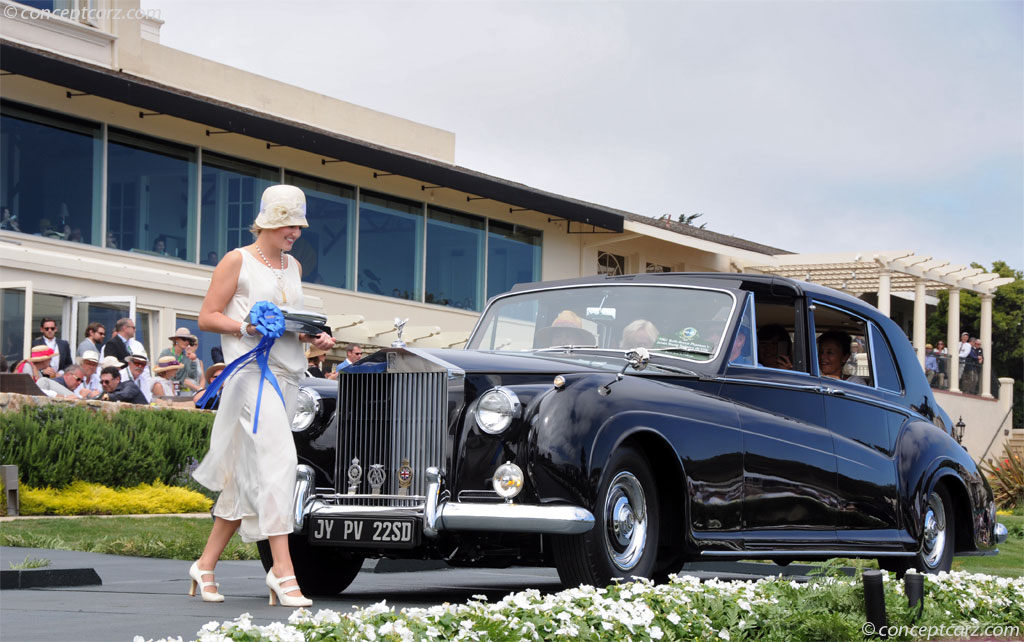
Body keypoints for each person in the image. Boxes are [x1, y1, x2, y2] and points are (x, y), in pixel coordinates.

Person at [190, 184, 333, 607]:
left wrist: (313, 337)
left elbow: (288, 323)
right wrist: (245, 327)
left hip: (290, 376)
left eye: (300, 225)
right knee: (280, 460)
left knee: (247, 475)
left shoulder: (295, 267)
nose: (296, 232)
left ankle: (204, 564)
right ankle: (283, 572)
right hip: (251, 373)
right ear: (270, 222)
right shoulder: (238, 260)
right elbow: (206, 317)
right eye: (291, 224)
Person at [159, 328, 204, 393]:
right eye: (184, 339)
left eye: (188, 340)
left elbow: (193, 376)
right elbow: (158, 372)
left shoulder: (186, 357)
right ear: (176, 340)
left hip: (180, 392)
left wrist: (193, 361)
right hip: (165, 388)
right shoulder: (166, 353)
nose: (187, 342)